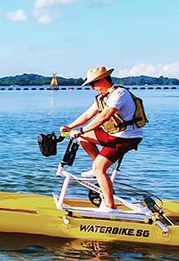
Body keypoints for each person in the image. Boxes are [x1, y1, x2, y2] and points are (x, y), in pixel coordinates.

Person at [60, 66, 145, 211]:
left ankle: (110, 207)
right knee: (84, 138)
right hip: (114, 134)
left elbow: (104, 116)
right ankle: (98, 169)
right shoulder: (103, 97)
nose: (93, 88)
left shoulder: (120, 94)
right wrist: (69, 127)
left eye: (93, 84)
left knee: (99, 168)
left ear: (103, 80)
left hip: (127, 137)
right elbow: (88, 114)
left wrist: (81, 130)